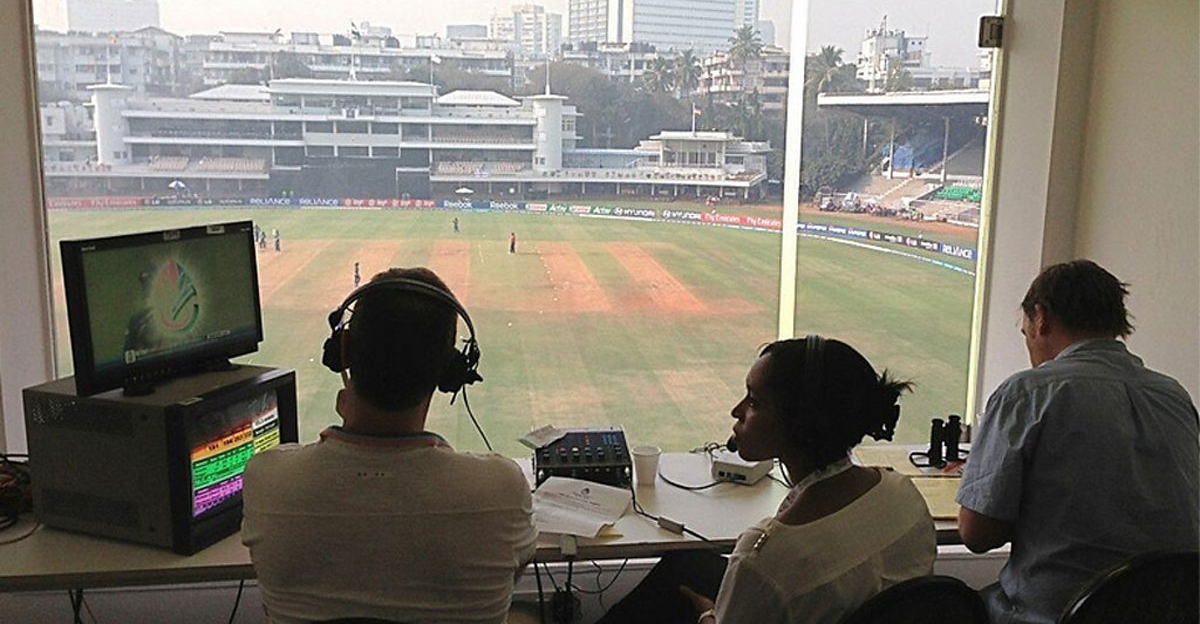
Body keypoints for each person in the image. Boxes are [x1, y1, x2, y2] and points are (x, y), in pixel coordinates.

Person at [241, 267, 536, 624]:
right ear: (450, 372)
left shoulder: (267, 479)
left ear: (343, 351)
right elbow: (511, 573)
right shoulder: (502, 487)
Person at [599, 336, 936, 624]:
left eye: (754, 401)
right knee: (684, 563)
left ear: (800, 426)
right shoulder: (903, 492)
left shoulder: (762, 559)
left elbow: (773, 575)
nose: (737, 410)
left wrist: (708, 616)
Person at [957, 260, 1199, 624]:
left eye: (1026, 335)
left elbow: (976, 534)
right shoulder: (1174, 395)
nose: (1030, 350)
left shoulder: (1026, 392)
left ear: (1040, 317)